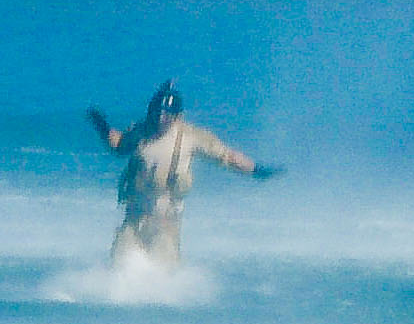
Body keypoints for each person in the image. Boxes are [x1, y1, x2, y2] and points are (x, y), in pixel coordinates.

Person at [87, 83, 278, 267]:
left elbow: (228, 157)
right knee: (120, 266)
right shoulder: (141, 132)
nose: (161, 119)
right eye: (158, 114)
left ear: (177, 116)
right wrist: (101, 125)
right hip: (134, 218)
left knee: (163, 272)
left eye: (167, 115)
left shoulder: (191, 136)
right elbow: (119, 145)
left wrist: (255, 170)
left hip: (165, 222)